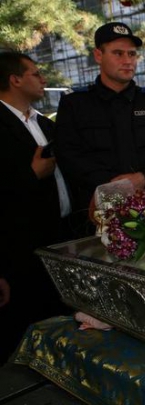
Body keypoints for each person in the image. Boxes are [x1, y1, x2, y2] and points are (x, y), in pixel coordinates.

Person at [55, 22, 145, 234]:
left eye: (132, 54)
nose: (127, 61)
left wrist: (144, 178)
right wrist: (118, 188)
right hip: (98, 217)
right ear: (98, 55)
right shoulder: (75, 104)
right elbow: (69, 155)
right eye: (118, 53)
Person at [0, 52, 71, 362]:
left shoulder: (43, 122)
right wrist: (31, 175)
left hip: (59, 238)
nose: (44, 79)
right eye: (35, 73)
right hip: (18, 252)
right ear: (15, 79)